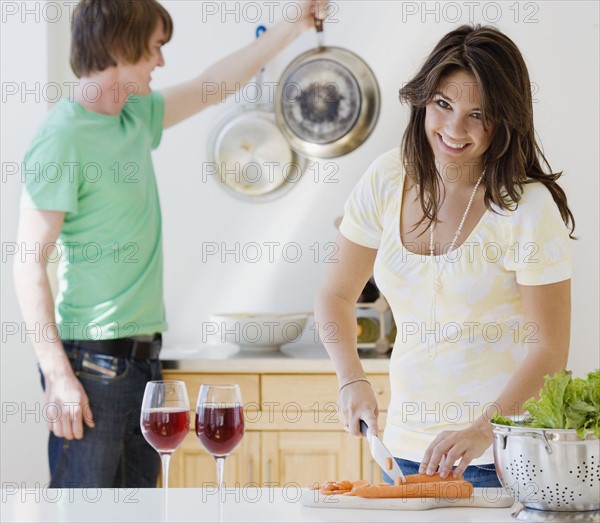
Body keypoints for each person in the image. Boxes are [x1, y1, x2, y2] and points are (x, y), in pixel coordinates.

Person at [13, 0, 326, 488]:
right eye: (156, 48)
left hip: (143, 363)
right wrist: (57, 376)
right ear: (121, 46)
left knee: (140, 514)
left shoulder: (131, 116)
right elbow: (27, 264)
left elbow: (212, 85)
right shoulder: (62, 138)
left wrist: (292, 24)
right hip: (93, 365)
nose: (161, 62)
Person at [314, 24, 574, 488]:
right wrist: (350, 379)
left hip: (499, 461)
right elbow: (335, 294)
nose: (455, 129)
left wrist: (481, 431)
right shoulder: (387, 178)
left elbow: (548, 350)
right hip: (400, 453)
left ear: (505, 120)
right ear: (423, 100)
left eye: (479, 114)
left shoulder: (526, 208)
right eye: (443, 104)